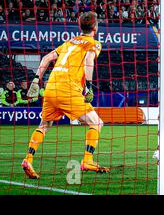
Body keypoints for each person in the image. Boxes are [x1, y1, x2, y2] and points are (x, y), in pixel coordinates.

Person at [21, 11, 109, 179]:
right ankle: (88, 160)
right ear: (95, 27)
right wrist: (89, 87)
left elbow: (47, 58)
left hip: (50, 88)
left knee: (44, 126)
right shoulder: (93, 43)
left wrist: (35, 80)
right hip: (68, 89)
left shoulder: (68, 42)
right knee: (96, 123)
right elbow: (89, 61)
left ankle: (28, 159)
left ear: (80, 26)